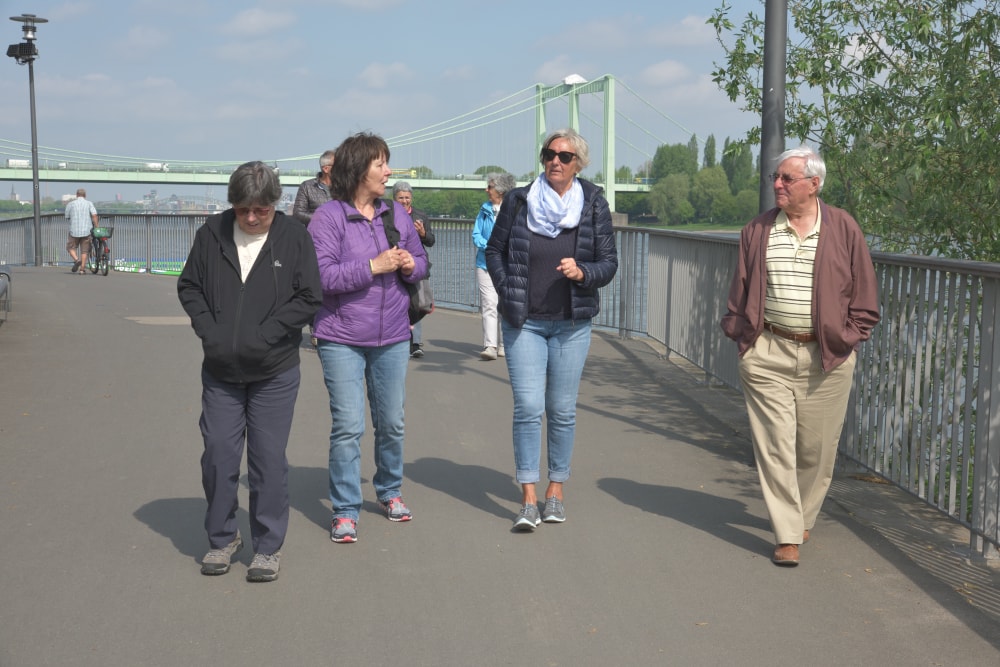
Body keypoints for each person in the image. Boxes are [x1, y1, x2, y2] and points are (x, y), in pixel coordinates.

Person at [720, 145, 880, 567]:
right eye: (776, 177)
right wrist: (742, 336)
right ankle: (787, 534)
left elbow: (865, 300)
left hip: (826, 356)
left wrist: (848, 338)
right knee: (776, 446)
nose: (777, 184)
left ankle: (802, 516)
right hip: (767, 351)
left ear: (814, 183)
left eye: (787, 178)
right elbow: (739, 289)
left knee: (816, 449)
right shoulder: (757, 230)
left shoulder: (844, 228)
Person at [177, 161, 322, 582]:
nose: (252, 218)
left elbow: (310, 295)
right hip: (221, 370)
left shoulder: (294, 237)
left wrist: (270, 332)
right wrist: (211, 331)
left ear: (275, 204)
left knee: (267, 461)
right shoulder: (212, 234)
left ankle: (267, 546)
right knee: (219, 456)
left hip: (274, 371)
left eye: (261, 209)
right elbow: (189, 286)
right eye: (243, 210)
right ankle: (223, 539)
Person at [485, 129, 618, 531]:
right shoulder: (519, 200)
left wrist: (584, 272)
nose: (555, 161)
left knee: (561, 411)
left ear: (579, 163)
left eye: (564, 156)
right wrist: (508, 289)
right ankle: (528, 498)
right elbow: (495, 250)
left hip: (572, 324)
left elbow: (609, 262)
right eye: (549, 154)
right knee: (528, 408)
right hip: (525, 321)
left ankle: (555, 491)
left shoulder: (593, 202)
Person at [309, 132, 429, 544]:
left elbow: (422, 263)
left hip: (394, 334)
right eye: (381, 164)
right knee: (348, 426)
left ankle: (389, 491)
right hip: (340, 336)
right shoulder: (328, 218)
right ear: (359, 169)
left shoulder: (395, 214)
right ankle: (345, 509)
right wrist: (373, 266)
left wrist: (411, 263)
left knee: (392, 423)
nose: (388, 171)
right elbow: (321, 277)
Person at [473, 172, 517, 360]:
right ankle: (490, 345)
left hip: (507, 264)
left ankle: (504, 345)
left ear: (500, 190)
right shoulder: (484, 210)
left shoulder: (514, 210)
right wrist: (490, 247)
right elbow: (476, 235)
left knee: (506, 304)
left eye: (489, 187)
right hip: (484, 263)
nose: (486, 190)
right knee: (489, 304)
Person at [392, 181, 435, 358]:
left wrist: (423, 234)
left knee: (421, 304)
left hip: (417, 266)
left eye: (407, 198)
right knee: (401, 304)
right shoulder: (388, 214)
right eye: (400, 197)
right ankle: (411, 343)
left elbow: (431, 241)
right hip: (396, 265)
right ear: (394, 198)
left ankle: (412, 339)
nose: (404, 201)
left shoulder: (420, 215)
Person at [292, 149, 336, 225]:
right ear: (326, 169)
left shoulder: (345, 188)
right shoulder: (307, 187)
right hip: (314, 235)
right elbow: (298, 214)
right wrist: (321, 218)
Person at [64, 188, 98, 275]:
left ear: (77, 195)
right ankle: (82, 270)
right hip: (87, 231)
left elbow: (67, 216)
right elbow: (94, 215)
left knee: (70, 247)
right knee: (84, 251)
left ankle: (76, 260)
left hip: (74, 231)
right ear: (85, 195)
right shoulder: (89, 203)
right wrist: (96, 226)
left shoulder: (71, 204)